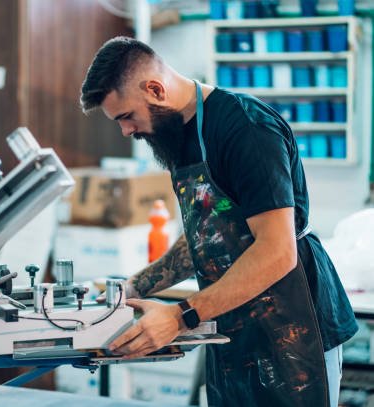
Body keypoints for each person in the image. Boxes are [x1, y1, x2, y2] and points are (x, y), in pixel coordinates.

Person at [80, 36, 357, 407]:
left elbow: (277, 252)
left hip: (295, 328)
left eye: (127, 116)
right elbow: (207, 231)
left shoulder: (246, 129)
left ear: (155, 89)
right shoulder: (178, 134)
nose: (126, 131)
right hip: (232, 327)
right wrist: (132, 287)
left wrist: (180, 316)